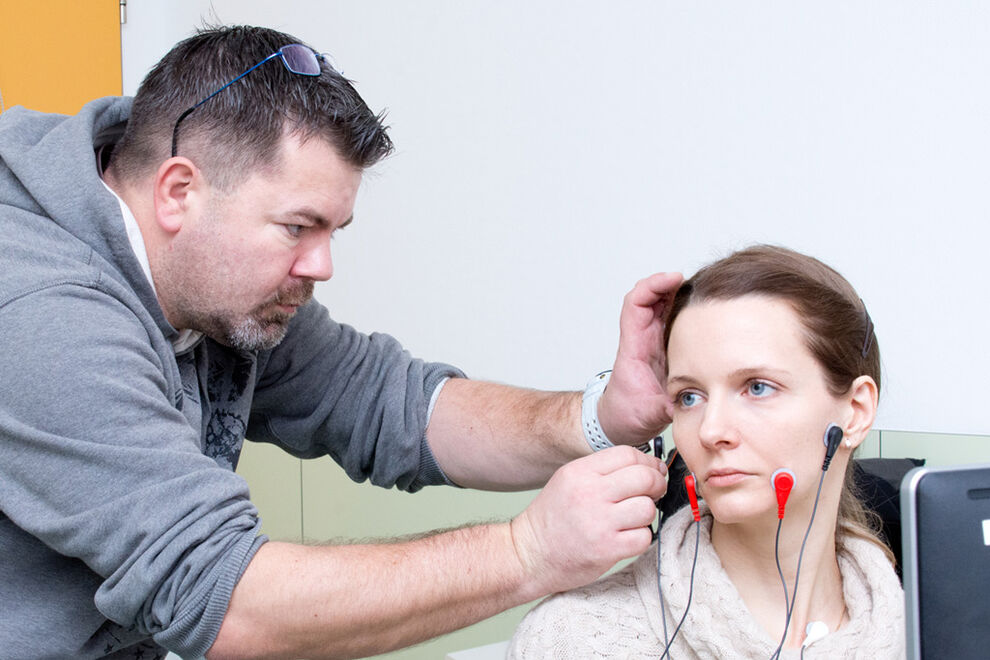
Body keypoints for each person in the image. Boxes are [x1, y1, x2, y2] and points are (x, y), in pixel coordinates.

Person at [0, 25, 678, 660]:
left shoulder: (220, 285)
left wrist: (599, 416)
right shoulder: (40, 317)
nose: (322, 267)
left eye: (334, 231)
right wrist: (530, 553)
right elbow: (225, 599)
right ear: (179, 191)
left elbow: (384, 400)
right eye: (298, 227)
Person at [509, 245, 906, 659]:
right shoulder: (572, 640)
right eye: (689, 397)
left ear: (856, 412)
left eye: (757, 387)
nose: (711, 431)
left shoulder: (929, 634)